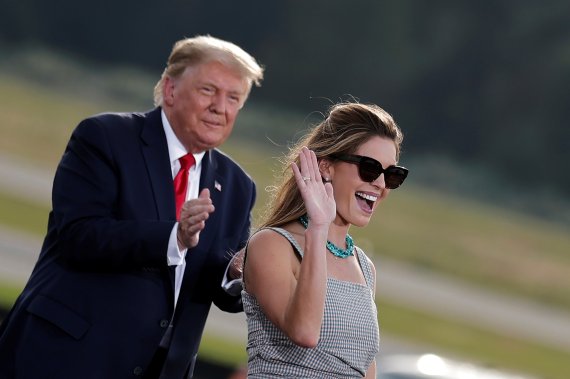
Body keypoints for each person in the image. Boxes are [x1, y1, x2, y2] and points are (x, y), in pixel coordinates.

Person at [0, 35, 263, 379]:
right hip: (67, 357)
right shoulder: (105, 137)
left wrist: (236, 274)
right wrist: (174, 237)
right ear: (170, 90)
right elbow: (78, 236)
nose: (221, 107)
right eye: (208, 91)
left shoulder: (238, 186)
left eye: (234, 98)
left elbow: (223, 295)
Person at [242, 102, 409, 378]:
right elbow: (305, 331)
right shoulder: (273, 245)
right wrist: (319, 227)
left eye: (392, 175)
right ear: (326, 167)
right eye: (369, 168)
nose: (380, 184)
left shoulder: (364, 268)